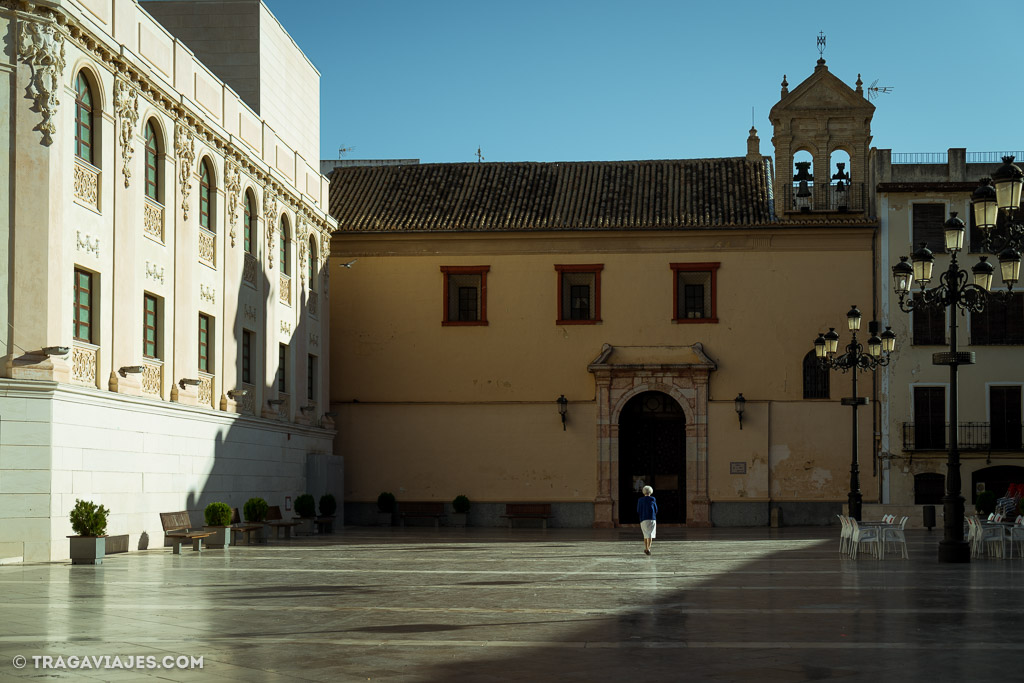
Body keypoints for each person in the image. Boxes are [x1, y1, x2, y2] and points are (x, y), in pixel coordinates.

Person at [637, 485, 657, 555]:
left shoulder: (640, 500)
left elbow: (638, 510)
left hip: (643, 518)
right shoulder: (653, 499)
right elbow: (656, 509)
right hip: (652, 518)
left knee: (645, 534)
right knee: (650, 533)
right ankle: (649, 548)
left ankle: (646, 547)